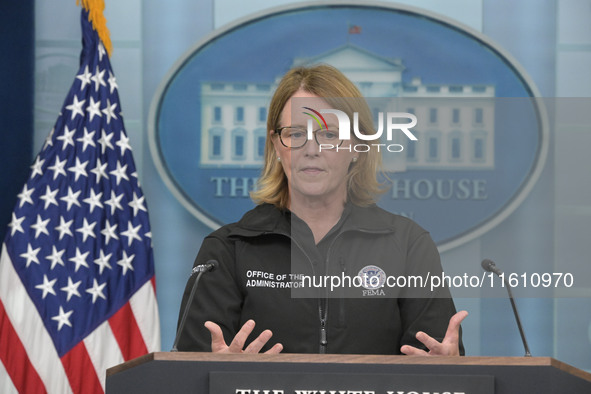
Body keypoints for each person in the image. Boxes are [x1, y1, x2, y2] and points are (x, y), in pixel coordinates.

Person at [176, 64, 467, 355]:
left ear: (356, 146)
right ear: (277, 145)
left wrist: (449, 369)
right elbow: (190, 370)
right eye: (296, 133)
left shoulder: (408, 245)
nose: (311, 149)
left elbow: (439, 359)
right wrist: (218, 372)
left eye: (328, 135)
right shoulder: (227, 250)